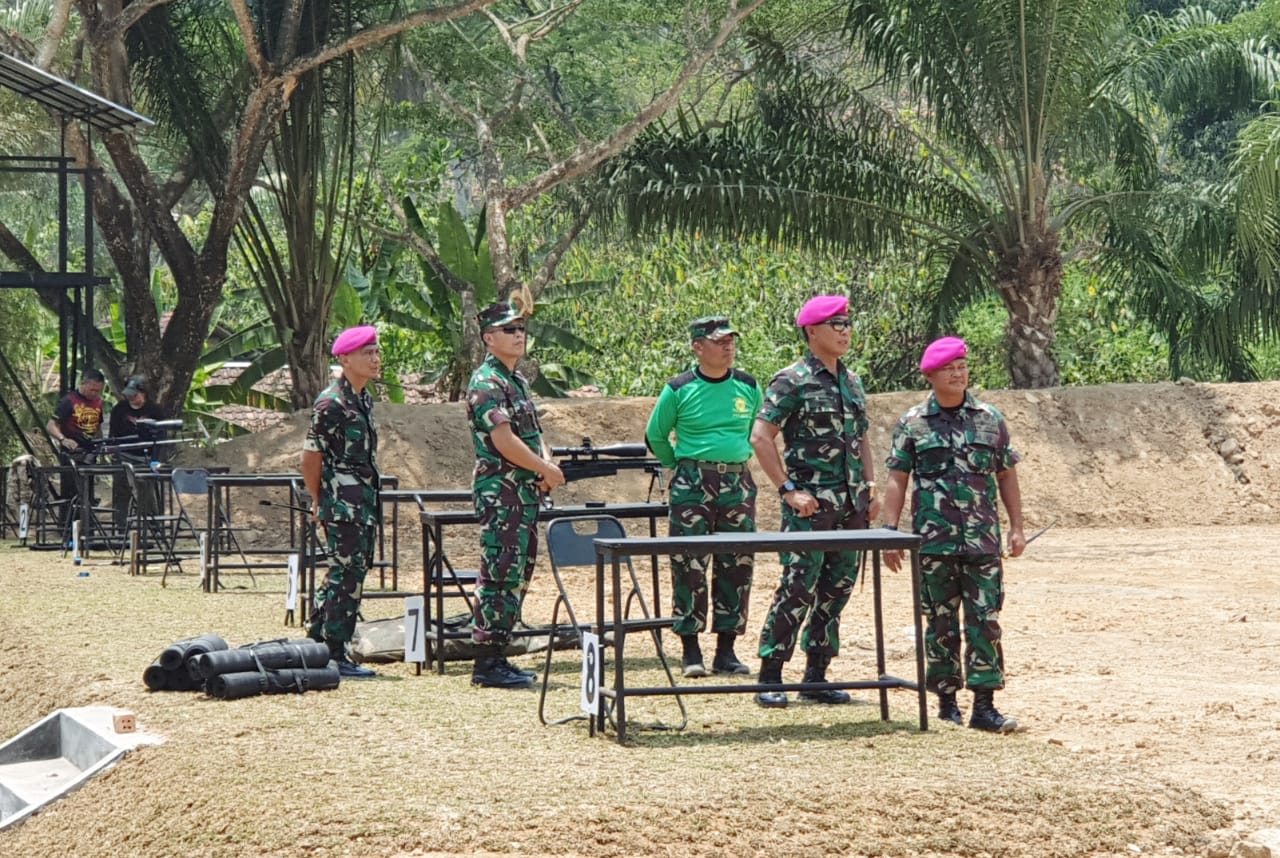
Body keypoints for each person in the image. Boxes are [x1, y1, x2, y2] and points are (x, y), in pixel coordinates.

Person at [879, 336, 1026, 733]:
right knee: (939, 623)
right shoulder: (913, 423)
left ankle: (984, 705)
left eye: (962, 366)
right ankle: (946, 703)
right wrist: (889, 532)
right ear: (930, 375)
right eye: (950, 368)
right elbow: (897, 477)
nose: (959, 374)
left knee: (985, 620)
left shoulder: (990, 419)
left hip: (982, 541)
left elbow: (1006, 475)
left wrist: (1017, 527)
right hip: (933, 542)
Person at [750, 295, 880, 708]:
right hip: (810, 507)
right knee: (797, 587)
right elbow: (760, 437)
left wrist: (870, 488)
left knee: (836, 589)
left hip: (850, 507)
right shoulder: (792, 379)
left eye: (847, 323)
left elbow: (860, 440)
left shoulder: (852, 381)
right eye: (835, 323)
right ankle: (770, 674)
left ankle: (817, 676)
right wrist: (788, 490)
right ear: (811, 332)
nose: (844, 331)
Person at [645, 315, 762, 677]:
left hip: (737, 484)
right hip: (693, 482)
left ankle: (726, 650)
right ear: (698, 347)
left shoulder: (747, 385)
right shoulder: (679, 388)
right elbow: (656, 435)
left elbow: (758, 429)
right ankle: (690, 649)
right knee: (689, 564)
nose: (728, 347)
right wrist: (682, 466)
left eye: (731, 340)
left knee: (737, 564)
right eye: (719, 341)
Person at [466, 293, 565, 689]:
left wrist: (545, 465)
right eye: (510, 329)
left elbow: (533, 434)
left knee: (519, 570)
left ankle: (500, 653)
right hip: (502, 492)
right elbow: (504, 441)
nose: (519, 334)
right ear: (489, 338)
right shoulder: (486, 382)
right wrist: (545, 469)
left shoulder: (516, 380)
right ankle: (486, 661)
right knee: (499, 573)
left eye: (522, 328)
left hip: (525, 491)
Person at [302, 325, 383, 680]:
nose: (375, 358)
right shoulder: (331, 403)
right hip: (341, 503)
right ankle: (334, 652)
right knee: (346, 575)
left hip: (362, 501)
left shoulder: (362, 399)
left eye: (377, 351)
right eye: (367, 353)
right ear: (345, 358)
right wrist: (318, 499)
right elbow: (311, 457)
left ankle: (320, 641)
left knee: (351, 571)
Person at [108, 375, 167, 529]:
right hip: (123, 455)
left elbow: (161, 438)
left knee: (146, 491)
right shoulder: (119, 409)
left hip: (145, 457)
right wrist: (113, 450)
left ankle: (153, 524)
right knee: (121, 490)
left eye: (135, 395)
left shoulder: (155, 410)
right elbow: (113, 434)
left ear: (143, 393)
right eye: (129, 396)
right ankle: (120, 525)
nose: (132, 398)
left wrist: (156, 459)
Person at [46, 369, 106, 507]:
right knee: (73, 493)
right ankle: (71, 522)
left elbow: (98, 427)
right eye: (92, 390)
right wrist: (63, 439)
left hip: (90, 453)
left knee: (87, 493)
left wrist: (101, 447)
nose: (95, 393)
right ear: (83, 384)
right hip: (72, 453)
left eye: (98, 391)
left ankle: (87, 522)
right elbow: (51, 425)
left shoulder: (98, 402)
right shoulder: (69, 401)